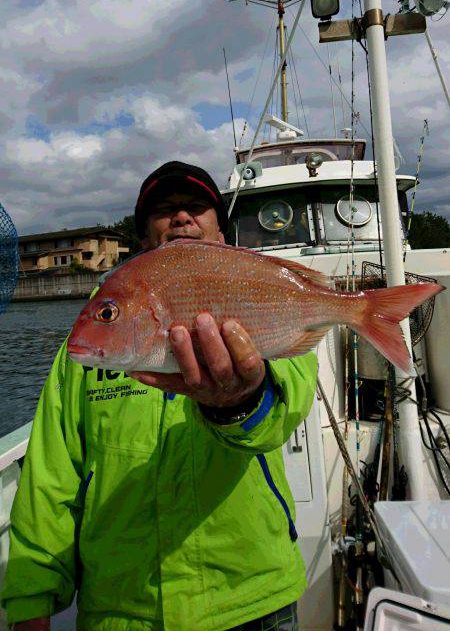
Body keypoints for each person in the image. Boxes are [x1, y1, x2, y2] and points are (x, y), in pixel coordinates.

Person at [1, 161, 318, 631]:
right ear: (145, 241)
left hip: (250, 600)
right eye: (164, 211)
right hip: (119, 609)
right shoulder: (89, 356)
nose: (182, 218)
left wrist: (237, 400)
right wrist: (31, 602)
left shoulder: (266, 303)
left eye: (196, 207)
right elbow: (50, 478)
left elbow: (280, 415)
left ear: (221, 233)